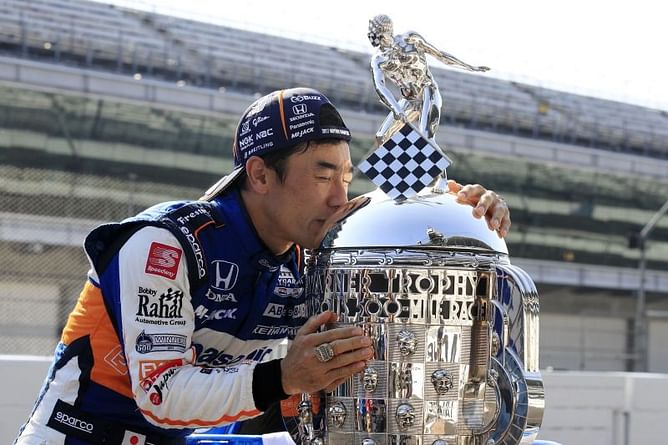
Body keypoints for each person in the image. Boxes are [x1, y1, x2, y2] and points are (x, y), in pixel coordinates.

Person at [14, 87, 510, 445]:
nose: (340, 197)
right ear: (259, 174)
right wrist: (285, 376)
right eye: (322, 175)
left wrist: (462, 204)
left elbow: (384, 215)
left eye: (346, 176)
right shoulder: (165, 244)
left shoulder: (308, 257)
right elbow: (161, 396)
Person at [368, 14, 489, 144]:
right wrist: (396, 109)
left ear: (387, 31)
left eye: (378, 34)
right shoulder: (379, 59)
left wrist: (470, 67)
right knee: (382, 137)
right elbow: (380, 87)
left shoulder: (410, 39)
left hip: (427, 89)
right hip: (409, 98)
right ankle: (395, 162)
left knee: (426, 137)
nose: (376, 39)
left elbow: (440, 55)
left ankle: (428, 157)